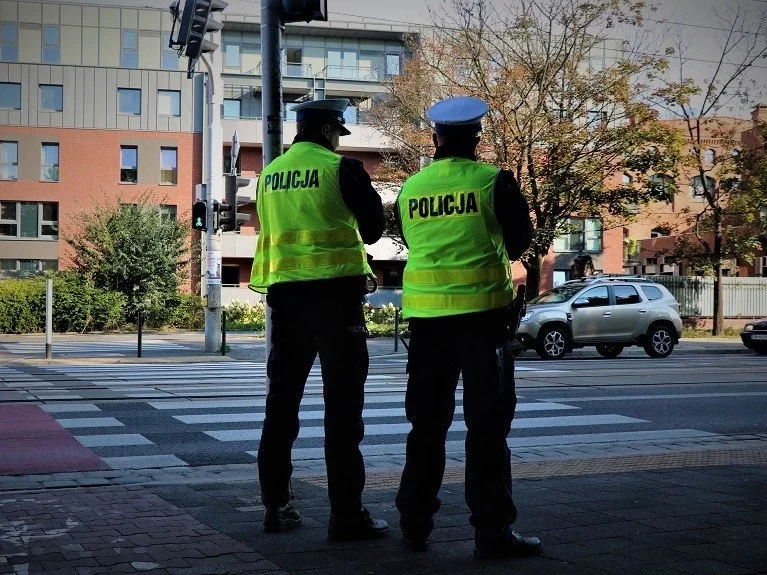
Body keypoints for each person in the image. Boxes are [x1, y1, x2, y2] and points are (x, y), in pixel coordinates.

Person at [394, 96, 542, 559]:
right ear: (476, 137)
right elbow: (521, 240)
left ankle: (415, 525)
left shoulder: (411, 188)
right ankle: (492, 532)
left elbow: (409, 237)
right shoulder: (492, 181)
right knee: (487, 429)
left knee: (425, 427)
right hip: (482, 323)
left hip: (426, 325)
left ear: (435, 138)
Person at [249, 98, 389, 541]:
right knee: (343, 410)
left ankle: (275, 507)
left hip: (285, 301)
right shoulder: (340, 168)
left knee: (281, 405)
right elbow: (372, 230)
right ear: (330, 131)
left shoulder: (268, 175)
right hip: (335, 300)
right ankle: (345, 515)